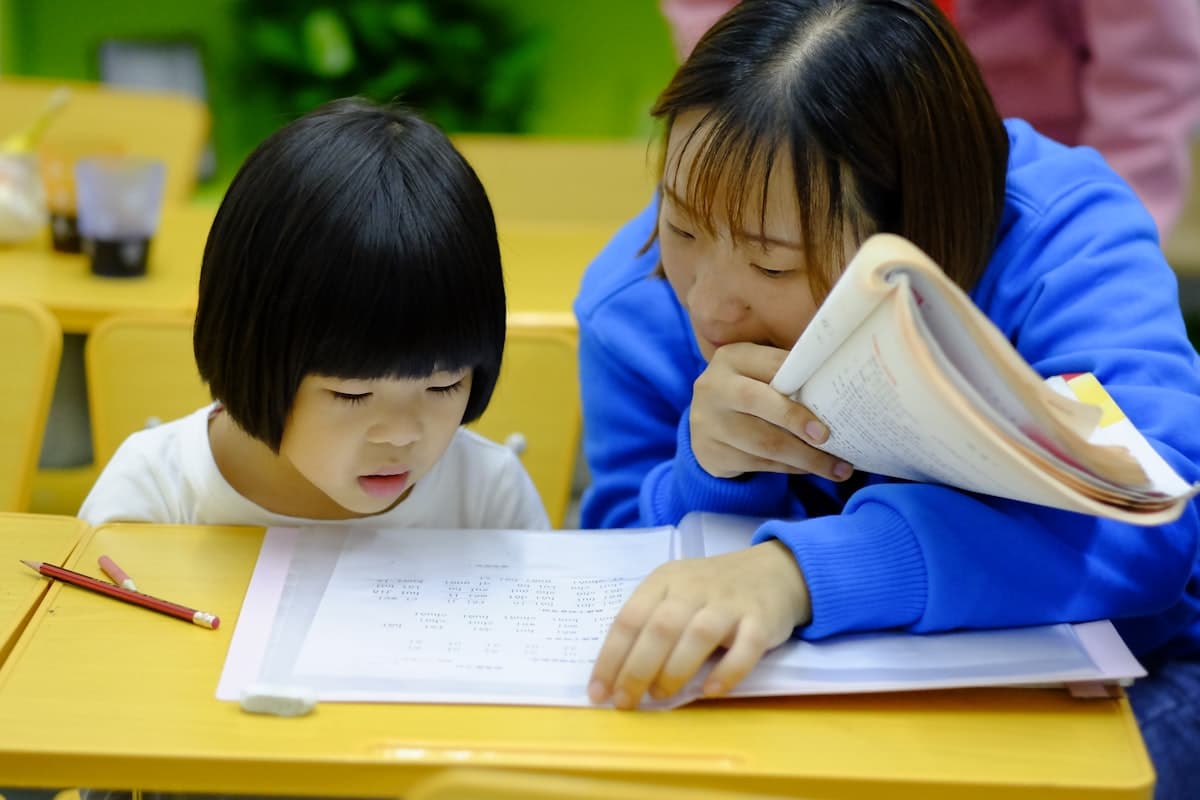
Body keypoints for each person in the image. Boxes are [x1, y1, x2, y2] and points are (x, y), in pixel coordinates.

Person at [574, 1, 1200, 797]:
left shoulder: (1062, 240)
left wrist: (795, 575)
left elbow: (1147, 523)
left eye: (772, 267)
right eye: (682, 226)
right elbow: (614, 576)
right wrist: (710, 473)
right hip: (778, 718)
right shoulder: (632, 304)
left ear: (917, 230)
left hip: (1115, 693)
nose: (712, 305)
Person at [79, 97, 548, 532]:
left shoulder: (489, 497)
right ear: (250, 350)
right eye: (352, 393)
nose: (402, 434)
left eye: (445, 386)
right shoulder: (156, 495)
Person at [660, 0, 1200, 238]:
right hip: (806, 155)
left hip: (1034, 172)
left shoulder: (1058, 219)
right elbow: (722, 26)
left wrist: (1111, 229)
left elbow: (1150, 64)